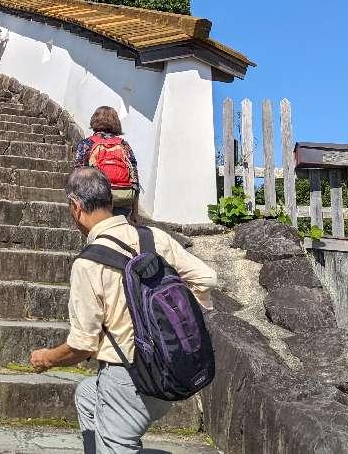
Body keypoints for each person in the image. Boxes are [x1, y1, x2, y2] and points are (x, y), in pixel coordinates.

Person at [30, 167, 217, 454]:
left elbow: (82, 345)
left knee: (117, 444)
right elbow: (206, 278)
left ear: (76, 207)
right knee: (87, 395)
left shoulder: (88, 263)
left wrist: (46, 359)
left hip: (128, 378)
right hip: (172, 371)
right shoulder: (154, 238)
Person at [75, 106, 140, 222]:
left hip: (97, 199)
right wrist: (135, 212)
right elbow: (134, 178)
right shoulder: (124, 145)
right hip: (122, 199)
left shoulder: (87, 143)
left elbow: (78, 174)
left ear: (94, 120)